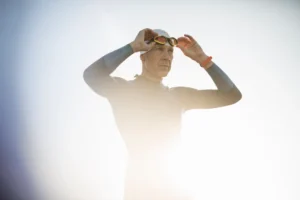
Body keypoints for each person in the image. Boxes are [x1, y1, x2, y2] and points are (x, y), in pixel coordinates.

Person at [83, 28, 242, 200]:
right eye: (159, 49)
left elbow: (231, 95)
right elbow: (92, 75)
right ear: (143, 56)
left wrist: (203, 60)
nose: (167, 56)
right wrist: (133, 46)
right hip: (140, 189)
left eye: (170, 51)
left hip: (177, 187)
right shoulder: (123, 90)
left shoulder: (179, 96)